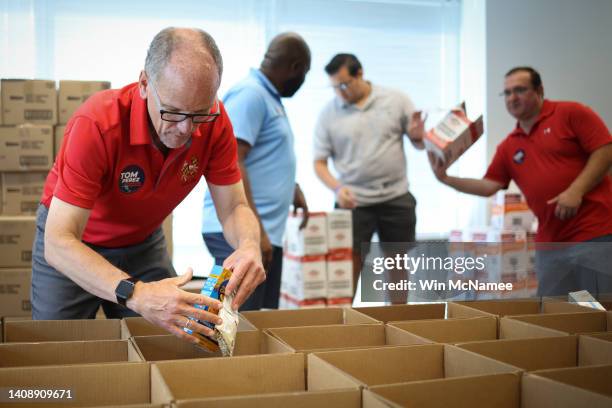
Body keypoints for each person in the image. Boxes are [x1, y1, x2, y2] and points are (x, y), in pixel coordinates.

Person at [31, 27, 265, 345]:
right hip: (76, 243)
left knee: (168, 343)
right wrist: (136, 294)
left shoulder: (216, 121)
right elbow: (58, 242)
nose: (186, 129)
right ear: (144, 84)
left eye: (199, 114)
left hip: (142, 241)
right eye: (174, 112)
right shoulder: (98, 124)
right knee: (57, 349)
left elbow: (235, 207)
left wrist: (249, 244)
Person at [430, 66, 612, 297]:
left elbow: (605, 150)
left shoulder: (571, 113)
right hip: (551, 243)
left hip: (594, 235)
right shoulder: (509, 146)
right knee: (558, 315)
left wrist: (575, 191)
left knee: (601, 314)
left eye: (520, 90)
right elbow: (489, 186)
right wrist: (446, 178)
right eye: (506, 93)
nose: (512, 97)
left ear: (539, 90)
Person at [202, 33, 311, 311]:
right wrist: (255, 233)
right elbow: (233, 160)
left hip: (263, 231)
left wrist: (292, 188)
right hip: (239, 230)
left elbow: (264, 156)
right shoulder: (251, 94)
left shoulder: (267, 96)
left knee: (260, 321)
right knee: (235, 322)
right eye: (305, 74)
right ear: (296, 68)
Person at [313, 53, 426, 303]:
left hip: (396, 196)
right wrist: (337, 188)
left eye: (344, 84)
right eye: (334, 87)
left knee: (397, 269)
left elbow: (418, 142)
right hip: (353, 200)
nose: (340, 92)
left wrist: (419, 137)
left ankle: (397, 326)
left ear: (360, 74)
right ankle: (344, 327)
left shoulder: (396, 100)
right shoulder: (328, 113)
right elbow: (319, 163)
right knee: (346, 270)